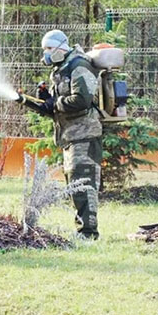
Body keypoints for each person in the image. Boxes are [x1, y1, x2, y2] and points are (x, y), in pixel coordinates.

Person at [20, 29, 102, 239]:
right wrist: (41, 101)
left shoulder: (79, 65)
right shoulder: (60, 69)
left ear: (59, 47)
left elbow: (82, 100)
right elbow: (57, 107)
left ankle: (88, 234)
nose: (45, 53)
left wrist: (54, 103)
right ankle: (83, 231)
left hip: (85, 134)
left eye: (48, 49)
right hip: (70, 136)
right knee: (75, 184)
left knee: (83, 184)